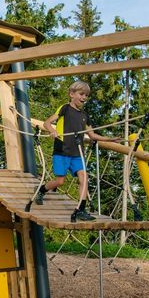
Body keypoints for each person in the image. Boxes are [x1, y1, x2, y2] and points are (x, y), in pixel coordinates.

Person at [36, 80, 113, 221]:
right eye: (81, 94)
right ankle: (42, 190)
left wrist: (111, 139)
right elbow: (47, 123)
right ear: (71, 94)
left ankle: (80, 210)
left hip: (77, 153)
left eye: (86, 95)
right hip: (62, 150)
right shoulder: (65, 108)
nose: (84, 98)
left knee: (84, 177)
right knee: (60, 181)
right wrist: (52, 131)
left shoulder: (85, 115)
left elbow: (92, 135)